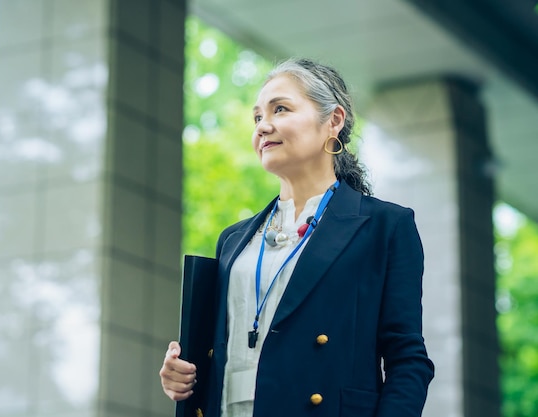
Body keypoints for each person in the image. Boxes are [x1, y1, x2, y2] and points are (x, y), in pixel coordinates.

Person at [160, 58, 434, 417]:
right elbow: (217, 353)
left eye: (281, 109)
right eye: (257, 117)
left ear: (333, 120)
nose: (263, 126)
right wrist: (180, 375)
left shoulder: (384, 226)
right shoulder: (234, 240)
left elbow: (407, 360)